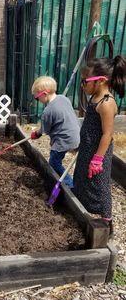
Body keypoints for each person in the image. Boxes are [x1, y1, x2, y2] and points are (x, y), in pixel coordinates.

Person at [73, 56, 126, 236]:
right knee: (81, 177)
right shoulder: (95, 97)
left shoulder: (107, 103)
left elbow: (107, 134)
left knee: (99, 185)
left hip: (98, 153)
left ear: (101, 80)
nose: (82, 85)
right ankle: (80, 207)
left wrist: (97, 159)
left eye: (85, 81)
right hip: (88, 149)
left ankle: (106, 221)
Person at [30, 76, 80, 187]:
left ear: (44, 94)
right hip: (76, 136)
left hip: (64, 141)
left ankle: (70, 185)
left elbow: (45, 130)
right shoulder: (64, 98)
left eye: (37, 98)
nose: (38, 101)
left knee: (54, 163)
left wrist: (36, 134)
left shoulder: (48, 111)